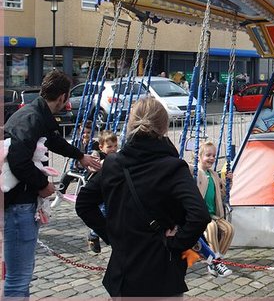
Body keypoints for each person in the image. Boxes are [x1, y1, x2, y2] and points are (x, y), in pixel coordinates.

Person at [76, 97, 210, 297]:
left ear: (131, 125)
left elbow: (84, 203)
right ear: (164, 128)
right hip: (162, 272)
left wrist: (112, 235)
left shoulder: (113, 164)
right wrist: (176, 243)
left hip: (124, 272)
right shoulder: (173, 167)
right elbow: (199, 214)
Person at [3, 70, 102, 298]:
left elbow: (54, 140)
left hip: (20, 204)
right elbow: (19, 160)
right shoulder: (32, 118)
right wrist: (43, 185)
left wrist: (80, 156)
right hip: (19, 205)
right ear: (63, 98)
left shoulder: (37, 114)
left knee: (20, 275)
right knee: (18, 278)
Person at [195, 141, 235, 277]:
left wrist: (227, 182)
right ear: (199, 156)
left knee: (229, 229)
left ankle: (216, 262)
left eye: (214, 155)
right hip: (200, 216)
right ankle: (215, 263)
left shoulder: (213, 175)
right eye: (208, 155)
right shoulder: (195, 172)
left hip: (213, 214)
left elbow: (221, 194)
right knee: (211, 227)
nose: (212, 158)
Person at [87, 130, 118, 253]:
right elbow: (90, 167)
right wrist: (100, 164)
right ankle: (94, 234)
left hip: (111, 191)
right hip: (99, 191)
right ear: (101, 147)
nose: (113, 149)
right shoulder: (98, 155)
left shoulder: (116, 156)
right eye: (109, 146)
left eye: (115, 146)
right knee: (103, 212)